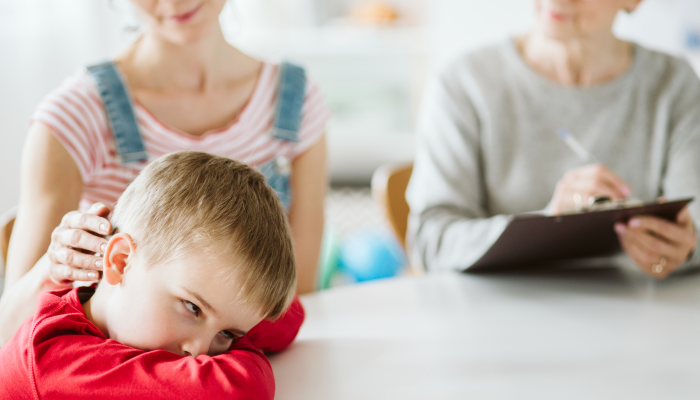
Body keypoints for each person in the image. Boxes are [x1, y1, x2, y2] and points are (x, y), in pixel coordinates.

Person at [0, 0, 329, 335]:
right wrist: (51, 268)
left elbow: (299, 299)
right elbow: (8, 331)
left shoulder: (294, 100)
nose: (174, 2)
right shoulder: (75, 115)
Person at [407, 0, 700, 277]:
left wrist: (683, 249)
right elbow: (432, 241)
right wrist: (548, 225)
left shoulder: (674, 85)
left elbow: (695, 226)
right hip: (496, 319)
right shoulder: (464, 83)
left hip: (638, 317)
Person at [0, 151, 304, 399]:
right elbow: (237, 390)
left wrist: (225, 318)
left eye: (228, 335)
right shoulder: (51, 359)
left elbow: (289, 316)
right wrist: (237, 340)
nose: (199, 352)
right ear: (120, 262)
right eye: (192, 307)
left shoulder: (126, 298)